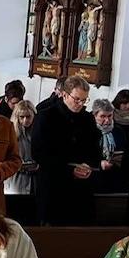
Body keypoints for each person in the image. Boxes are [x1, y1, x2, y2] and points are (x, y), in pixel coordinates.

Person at [31, 75, 101, 225]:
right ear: (64, 94)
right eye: (77, 99)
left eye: (84, 100)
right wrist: (70, 170)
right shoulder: (46, 116)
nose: (80, 104)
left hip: (81, 190)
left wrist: (89, 166)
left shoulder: (87, 119)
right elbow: (38, 153)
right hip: (54, 188)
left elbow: (95, 150)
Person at [5, 100, 39, 196]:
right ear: (17, 117)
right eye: (22, 117)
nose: (25, 120)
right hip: (15, 181)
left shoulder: (39, 134)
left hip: (34, 180)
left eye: (28, 117)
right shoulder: (10, 134)